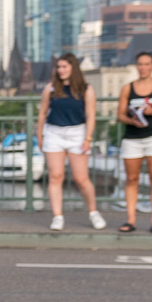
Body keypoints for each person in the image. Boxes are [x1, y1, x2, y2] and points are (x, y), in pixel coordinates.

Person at [37, 52, 104, 232]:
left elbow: (90, 115)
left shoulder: (86, 90)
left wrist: (88, 138)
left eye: (64, 67)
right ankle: (57, 216)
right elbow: (42, 113)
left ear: (73, 68)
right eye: (58, 67)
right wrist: (40, 136)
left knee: (81, 178)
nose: (60, 70)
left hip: (77, 133)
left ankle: (93, 212)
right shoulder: (50, 89)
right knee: (55, 176)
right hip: (54, 133)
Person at [116, 50, 152, 233]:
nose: (143, 68)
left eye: (147, 64)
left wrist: (151, 112)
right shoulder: (128, 88)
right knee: (132, 179)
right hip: (132, 138)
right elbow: (120, 115)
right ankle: (131, 219)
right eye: (140, 64)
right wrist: (132, 119)